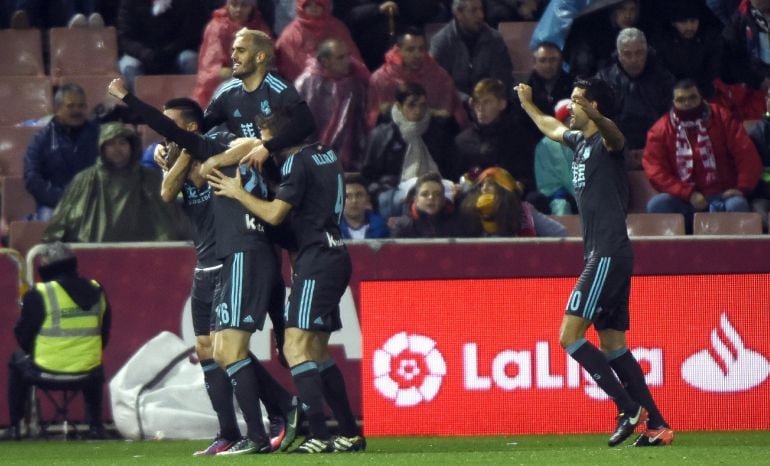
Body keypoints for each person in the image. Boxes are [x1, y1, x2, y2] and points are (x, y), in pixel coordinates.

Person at [107, 79, 299, 455]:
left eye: (171, 125)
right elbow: (167, 192)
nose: (164, 135)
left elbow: (198, 175)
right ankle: (228, 430)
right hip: (205, 263)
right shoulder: (183, 152)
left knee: (229, 348)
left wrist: (180, 147)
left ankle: (276, 411)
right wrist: (178, 151)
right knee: (207, 348)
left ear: (189, 127)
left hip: (231, 258)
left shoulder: (221, 144)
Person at [516, 77, 674, 447]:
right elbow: (550, 125)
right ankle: (659, 426)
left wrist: (594, 114)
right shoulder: (578, 142)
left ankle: (627, 408)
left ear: (594, 107)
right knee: (613, 345)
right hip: (607, 254)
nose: (569, 107)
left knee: (568, 337)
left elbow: (616, 134)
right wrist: (527, 104)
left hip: (606, 254)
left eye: (576, 101)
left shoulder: (607, 144)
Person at [206, 109, 366, 454]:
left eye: (264, 137)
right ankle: (350, 434)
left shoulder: (295, 163)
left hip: (316, 258)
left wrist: (237, 192)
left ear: (272, 136)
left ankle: (320, 436)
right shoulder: (326, 154)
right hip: (334, 251)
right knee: (318, 351)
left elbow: (275, 213)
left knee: (294, 347)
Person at [6, 242, 110, 440]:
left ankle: (15, 428)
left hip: (45, 372)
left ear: (47, 267)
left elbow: (23, 337)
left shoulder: (39, 294)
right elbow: (104, 334)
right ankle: (95, 425)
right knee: (96, 364)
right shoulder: (97, 290)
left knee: (16, 361)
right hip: (88, 373)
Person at [643, 79, 763, 233]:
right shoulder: (660, 129)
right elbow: (655, 171)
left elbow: (746, 154)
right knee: (657, 205)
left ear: (701, 98)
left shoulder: (721, 117)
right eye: (681, 99)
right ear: (673, 102)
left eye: (692, 97)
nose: (688, 103)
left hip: (723, 195)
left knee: (737, 205)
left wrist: (742, 188)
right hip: (685, 199)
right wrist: (688, 194)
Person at [42, 123, 184, 243]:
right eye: (110, 144)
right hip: (93, 259)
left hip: (142, 260)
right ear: (102, 148)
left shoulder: (150, 180)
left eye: (122, 143)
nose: (117, 149)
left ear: (131, 146)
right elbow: (62, 222)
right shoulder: (84, 181)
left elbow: (168, 225)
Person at [200, 28, 316, 172]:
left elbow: (306, 123)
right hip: (250, 169)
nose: (233, 56)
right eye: (233, 50)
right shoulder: (227, 93)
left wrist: (267, 148)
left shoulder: (278, 89)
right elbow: (200, 127)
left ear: (259, 57)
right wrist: (168, 145)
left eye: (241, 51)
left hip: (286, 170)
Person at [361, 81, 459, 218]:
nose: (418, 110)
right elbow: (368, 174)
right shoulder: (381, 135)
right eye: (411, 105)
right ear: (399, 106)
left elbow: (451, 168)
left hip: (434, 186)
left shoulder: (439, 132)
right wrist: (380, 190)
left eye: (422, 105)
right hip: (393, 189)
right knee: (399, 200)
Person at [454, 78, 543, 211]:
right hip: (473, 200)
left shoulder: (519, 137)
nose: (480, 108)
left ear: (502, 104)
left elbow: (526, 177)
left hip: (510, 199)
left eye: (487, 102)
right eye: (477, 102)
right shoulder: (462, 141)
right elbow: (457, 177)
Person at [23, 83, 100, 221]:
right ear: (57, 109)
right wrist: (61, 197)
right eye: (71, 106)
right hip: (53, 203)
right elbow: (32, 177)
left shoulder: (99, 134)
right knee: (48, 224)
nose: (77, 111)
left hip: (92, 201)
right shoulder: (41, 139)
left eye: (81, 106)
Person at [367, 27, 468, 129]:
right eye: (410, 50)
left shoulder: (439, 76)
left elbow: (453, 114)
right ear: (398, 51)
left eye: (421, 49)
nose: (417, 55)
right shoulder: (381, 79)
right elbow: (373, 120)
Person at [295, 38, 370, 171]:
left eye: (348, 56)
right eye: (340, 57)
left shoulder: (355, 83)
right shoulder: (305, 83)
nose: (348, 61)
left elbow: (361, 122)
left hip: (347, 157)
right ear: (325, 61)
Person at [596, 27, 675, 151]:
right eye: (627, 54)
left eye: (639, 53)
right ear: (619, 54)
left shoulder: (663, 79)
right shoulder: (604, 80)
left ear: (647, 52)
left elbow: (671, 118)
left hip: (657, 146)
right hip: (616, 149)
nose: (634, 60)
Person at [193, 0, 274, 108]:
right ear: (228, 5)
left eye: (244, 5)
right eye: (234, 4)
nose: (238, 10)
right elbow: (210, 67)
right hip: (222, 84)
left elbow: (268, 59)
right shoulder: (217, 27)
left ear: (252, 7)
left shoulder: (260, 27)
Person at [429, 0, 513, 102]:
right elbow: (439, 84)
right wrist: (466, 100)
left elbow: (501, 78)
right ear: (458, 13)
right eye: (473, 11)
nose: (480, 15)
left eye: (481, 9)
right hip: (454, 104)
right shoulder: (442, 42)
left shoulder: (494, 39)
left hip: (489, 103)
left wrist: (483, 101)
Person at [116, 0, 207, 89]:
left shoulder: (184, 2)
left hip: (175, 52)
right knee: (129, 66)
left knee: (190, 59)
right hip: (141, 54)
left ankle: (193, 101)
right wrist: (145, 53)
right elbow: (124, 38)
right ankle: (137, 102)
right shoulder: (130, 2)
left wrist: (169, 51)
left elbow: (191, 33)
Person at [459, 167, 567, 237]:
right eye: (482, 185)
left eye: (491, 184)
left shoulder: (524, 211)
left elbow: (560, 233)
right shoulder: (471, 212)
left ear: (505, 189)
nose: (484, 189)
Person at [275, 0, 364, 82]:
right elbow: (289, 70)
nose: (313, 8)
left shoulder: (337, 28)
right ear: (301, 6)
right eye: (308, 5)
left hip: (344, 86)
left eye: (318, 4)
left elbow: (355, 61)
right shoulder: (290, 36)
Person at [650, 0, 722, 98]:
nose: (689, 27)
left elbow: (713, 71)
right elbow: (663, 75)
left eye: (693, 21)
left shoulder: (710, 38)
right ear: (673, 23)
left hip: (704, 94)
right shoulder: (662, 42)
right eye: (683, 22)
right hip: (673, 95)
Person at [534, 99, 576, 215]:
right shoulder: (545, 146)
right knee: (561, 205)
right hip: (560, 196)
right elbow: (546, 181)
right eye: (567, 120)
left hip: (591, 193)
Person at [390, 171, 462, 238]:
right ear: (416, 200)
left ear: (443, 200)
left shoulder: (456, 224)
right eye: (424, 194)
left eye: (437, 194)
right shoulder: (403, 226)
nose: (431, 197)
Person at [526, 42, 574, 117]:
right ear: (534, 63)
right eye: (542, 60)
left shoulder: (573, 86)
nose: (548, 65)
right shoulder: (524, 89)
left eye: (553, 60)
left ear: (560, 62)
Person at [340, 173, 390, 239]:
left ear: (367, 199)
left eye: (359, 195)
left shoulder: (381, 227)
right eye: (347, 196)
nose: (354, 201)